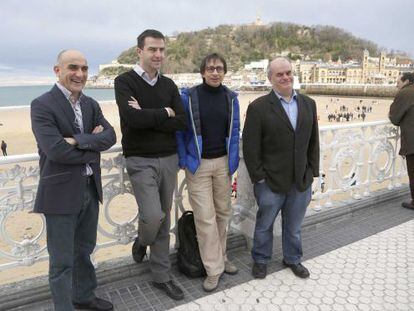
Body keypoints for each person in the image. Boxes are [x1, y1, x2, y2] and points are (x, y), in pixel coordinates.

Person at [30, 50, 116, 311]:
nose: (79, 74)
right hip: (60, 194)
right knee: (61, 262)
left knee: (84, 251)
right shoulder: (42, 105)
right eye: (73, 67)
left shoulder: (91, 104)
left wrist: (77, 140)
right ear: (58, 70)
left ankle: (84, 296)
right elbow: (55, 150)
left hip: (90, 189)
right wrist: (92, 146)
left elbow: (111, 136)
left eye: (84, 69)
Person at [114, 29, 187, 300]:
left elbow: (181, 121)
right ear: (139, 51)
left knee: (165, 217)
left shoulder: (169, 85)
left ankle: (161, 276)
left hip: (169, 158)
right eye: (152, 49)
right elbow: (133, 121)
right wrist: (163, 113)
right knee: (153, 216)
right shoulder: (124, 82)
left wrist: (149, 114)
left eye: (162, 50)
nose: (158, 55)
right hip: (139, 159)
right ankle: (141, 241)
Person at [243, 57, 320, 279]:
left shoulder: (308, 103)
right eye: (279, 74)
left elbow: (313, 141)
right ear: (270, 79)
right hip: (270, 182)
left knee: (294, 227)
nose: (285, 77)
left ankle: (293, 259)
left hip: (300, 180)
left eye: (288, 72)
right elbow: (250, 147)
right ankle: (260, 259)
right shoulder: (258, 107)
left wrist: (312, 172)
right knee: (264, 224)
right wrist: (259, 178)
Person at [176, 53, 240, 292]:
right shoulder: (189, 97)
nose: (215, 72)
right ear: (202, 72)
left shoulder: (231, 98)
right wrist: (183, 158)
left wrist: (232, 161)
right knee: (205, 217)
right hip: (198, 165)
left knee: (223, 212)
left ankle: (221, 257)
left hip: (223, 163)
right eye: (211, 68)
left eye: (219, 68)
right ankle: (213, 269)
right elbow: (180, 132)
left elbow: (235, 132)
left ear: (224, 72)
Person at [389, 72, 414, 210]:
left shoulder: (405, 93)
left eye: (398, 82)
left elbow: (394, 118)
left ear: (406, 81)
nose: (397, 86)